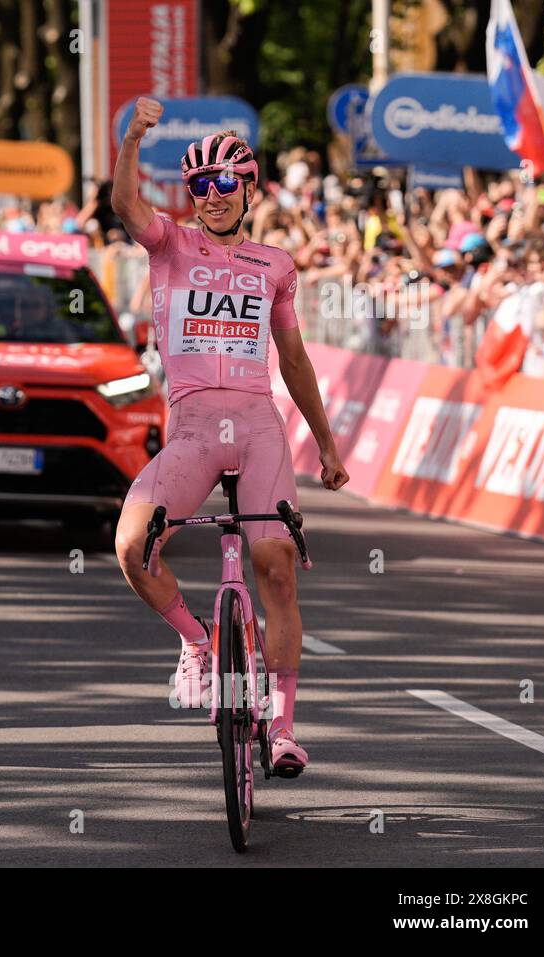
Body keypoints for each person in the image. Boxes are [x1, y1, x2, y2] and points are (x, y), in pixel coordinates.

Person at [110, 96, 349, 777]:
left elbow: (295, 362)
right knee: (132, 546)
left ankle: (281, 728)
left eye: (224, 183)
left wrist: (328, 446)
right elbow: (127, 204)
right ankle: (199, 637)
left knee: (275, 569)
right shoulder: (169, 243)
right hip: (189, 428)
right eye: (199, 187)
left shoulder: (275, 265)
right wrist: (133, 137)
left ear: (247, 187)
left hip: (257, 427)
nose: (212, 196)